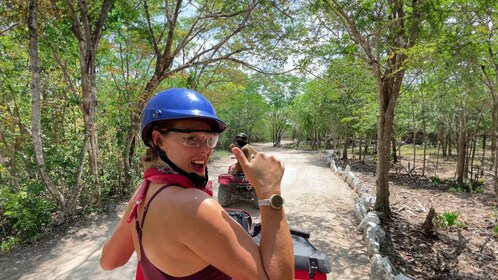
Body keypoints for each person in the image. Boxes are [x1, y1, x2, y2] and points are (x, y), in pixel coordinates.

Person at [99, 88, 294, 280]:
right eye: (191, 138)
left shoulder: (143, 193)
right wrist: (269, 190)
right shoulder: (195, 207)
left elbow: (109, 261)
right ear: (159, 140)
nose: (205, 151)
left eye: (210, 139)